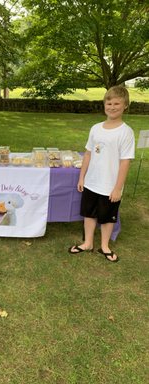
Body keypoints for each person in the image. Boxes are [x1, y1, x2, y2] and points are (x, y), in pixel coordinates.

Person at [68, 86, 135, 262]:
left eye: (117, 104)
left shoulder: (126, 132)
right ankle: (88, 242)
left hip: (110, 186)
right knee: (89, 214)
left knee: (107, 217)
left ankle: (105, 246)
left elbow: (125, 161)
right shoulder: (96, 128)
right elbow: (88, 153)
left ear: (125, 105)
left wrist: (117, 188)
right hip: (91, 181)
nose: (112, 107)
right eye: (109, 103)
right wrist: (82, 177)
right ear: (104, 104)